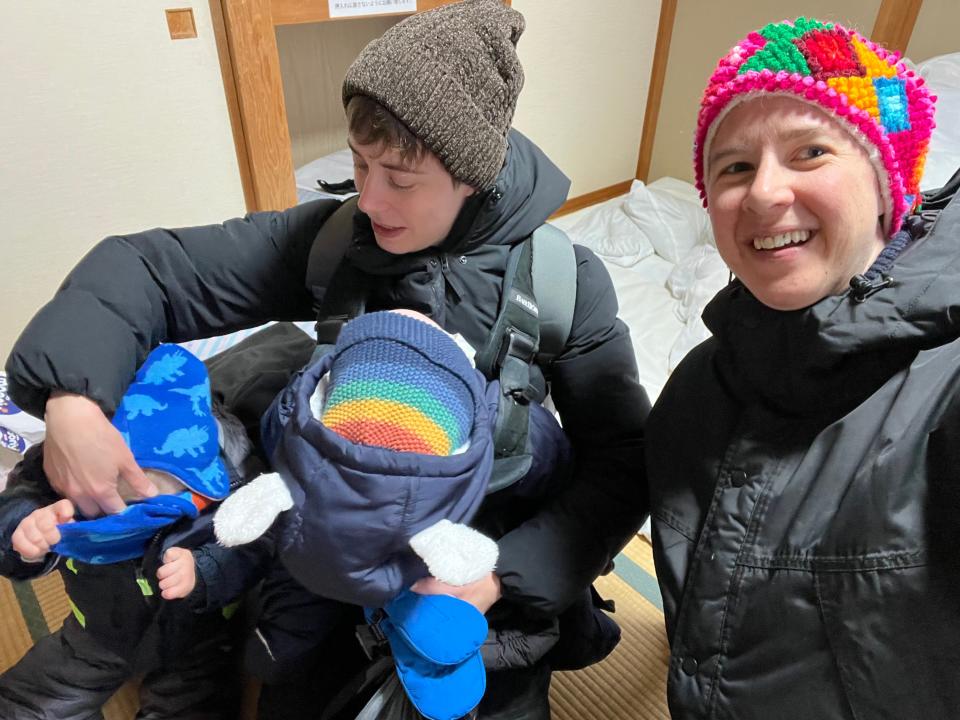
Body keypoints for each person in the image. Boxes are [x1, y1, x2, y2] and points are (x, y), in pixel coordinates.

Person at [4, 0, 649, 716]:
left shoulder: (564, 283)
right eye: (359, 162)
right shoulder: (340, 239)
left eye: (400, 178)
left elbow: (622, 464)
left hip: (475, 564)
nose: (370, 197)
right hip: (334, 543)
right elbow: (152, 269)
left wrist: (499, 579)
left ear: (474, 173)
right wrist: (71, 399)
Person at [645, 16, 957, 719]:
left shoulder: (941, 387)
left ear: (887, 183)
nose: (762, 194)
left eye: (809, 151)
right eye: (734, 167)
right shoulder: (695, 389)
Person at [215, 308, 586, 719]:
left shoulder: (555, 293)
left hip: (421, 563)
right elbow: (555, 459)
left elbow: (590, 478)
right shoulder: (341, 276)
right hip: (384, 554)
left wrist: (500, 579)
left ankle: (287, 642)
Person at [0, 345, 275, 719]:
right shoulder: (55, 475)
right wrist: (26, 532)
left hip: (195, 639)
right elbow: (17, 506)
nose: (122, 511)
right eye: (100, 497)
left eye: (144, 499)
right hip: (95, 634)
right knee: (26, 705)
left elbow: (260, 544)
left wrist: (208, 569)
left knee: (196, 704)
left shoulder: (234, 482)